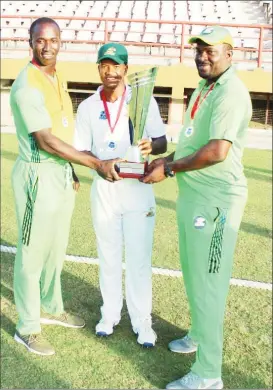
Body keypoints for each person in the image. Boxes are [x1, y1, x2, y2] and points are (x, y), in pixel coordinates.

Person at [142, 26, 252, 389]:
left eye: (211, 50)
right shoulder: (205, 88)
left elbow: (217, 151)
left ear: (230, 54)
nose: (202, 56)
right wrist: (165, 163)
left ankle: (209, 374)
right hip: (194, 197)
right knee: (193, 274)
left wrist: (170, 167)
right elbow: (193, 145)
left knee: (209, 285)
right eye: (199, 50)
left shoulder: (231, 92)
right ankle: (198, 335)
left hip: (217, 202)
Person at [10, 18, 121, 357]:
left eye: (54, 39)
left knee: (56, 248)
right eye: (41, 40)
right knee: (31, 252)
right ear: (30, 42)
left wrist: (71, 167)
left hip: (59, 173)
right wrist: (94, 163)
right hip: (37, 175)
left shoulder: (56, 75)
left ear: (61, 42)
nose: (48, 46)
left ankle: (51, 304)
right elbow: (45, 140)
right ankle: (27, 327)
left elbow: (60, 128)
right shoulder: (26, 85)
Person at [74, 42, 167, 347]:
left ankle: (143, 323)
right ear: (99, 68)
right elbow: (81, 149)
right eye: (104, 65)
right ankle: (109, 314)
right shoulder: (88, 107)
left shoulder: (143, 99)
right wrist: (99, 164)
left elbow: (162, 141)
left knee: (139, 259)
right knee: (108, 255)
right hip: (105, 188)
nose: (110, 72)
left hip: (138, 188)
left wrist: (150, 147)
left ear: (126, 69)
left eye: (116, 66)